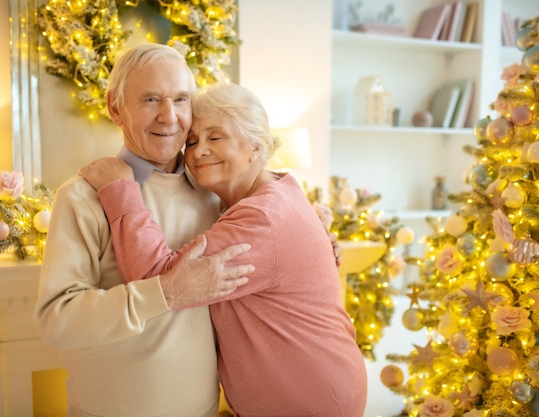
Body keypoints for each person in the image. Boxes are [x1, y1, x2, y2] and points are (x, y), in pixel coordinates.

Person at [80, 83, 367, 417]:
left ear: (256, 147)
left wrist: (120, 190)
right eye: (192, 141)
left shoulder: (261, 217)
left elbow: (158, 278)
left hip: (312, 400)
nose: (199, 151)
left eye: (215, 138)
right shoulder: (274, 191)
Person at [34, 44, 255, 417]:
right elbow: (58, 321)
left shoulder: (213, 190)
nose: (169, 116)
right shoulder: (81, 197)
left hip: (203, 409)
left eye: (180, 99)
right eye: (151, 99)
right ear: (115, 108)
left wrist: (314, 242)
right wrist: (164, 293)